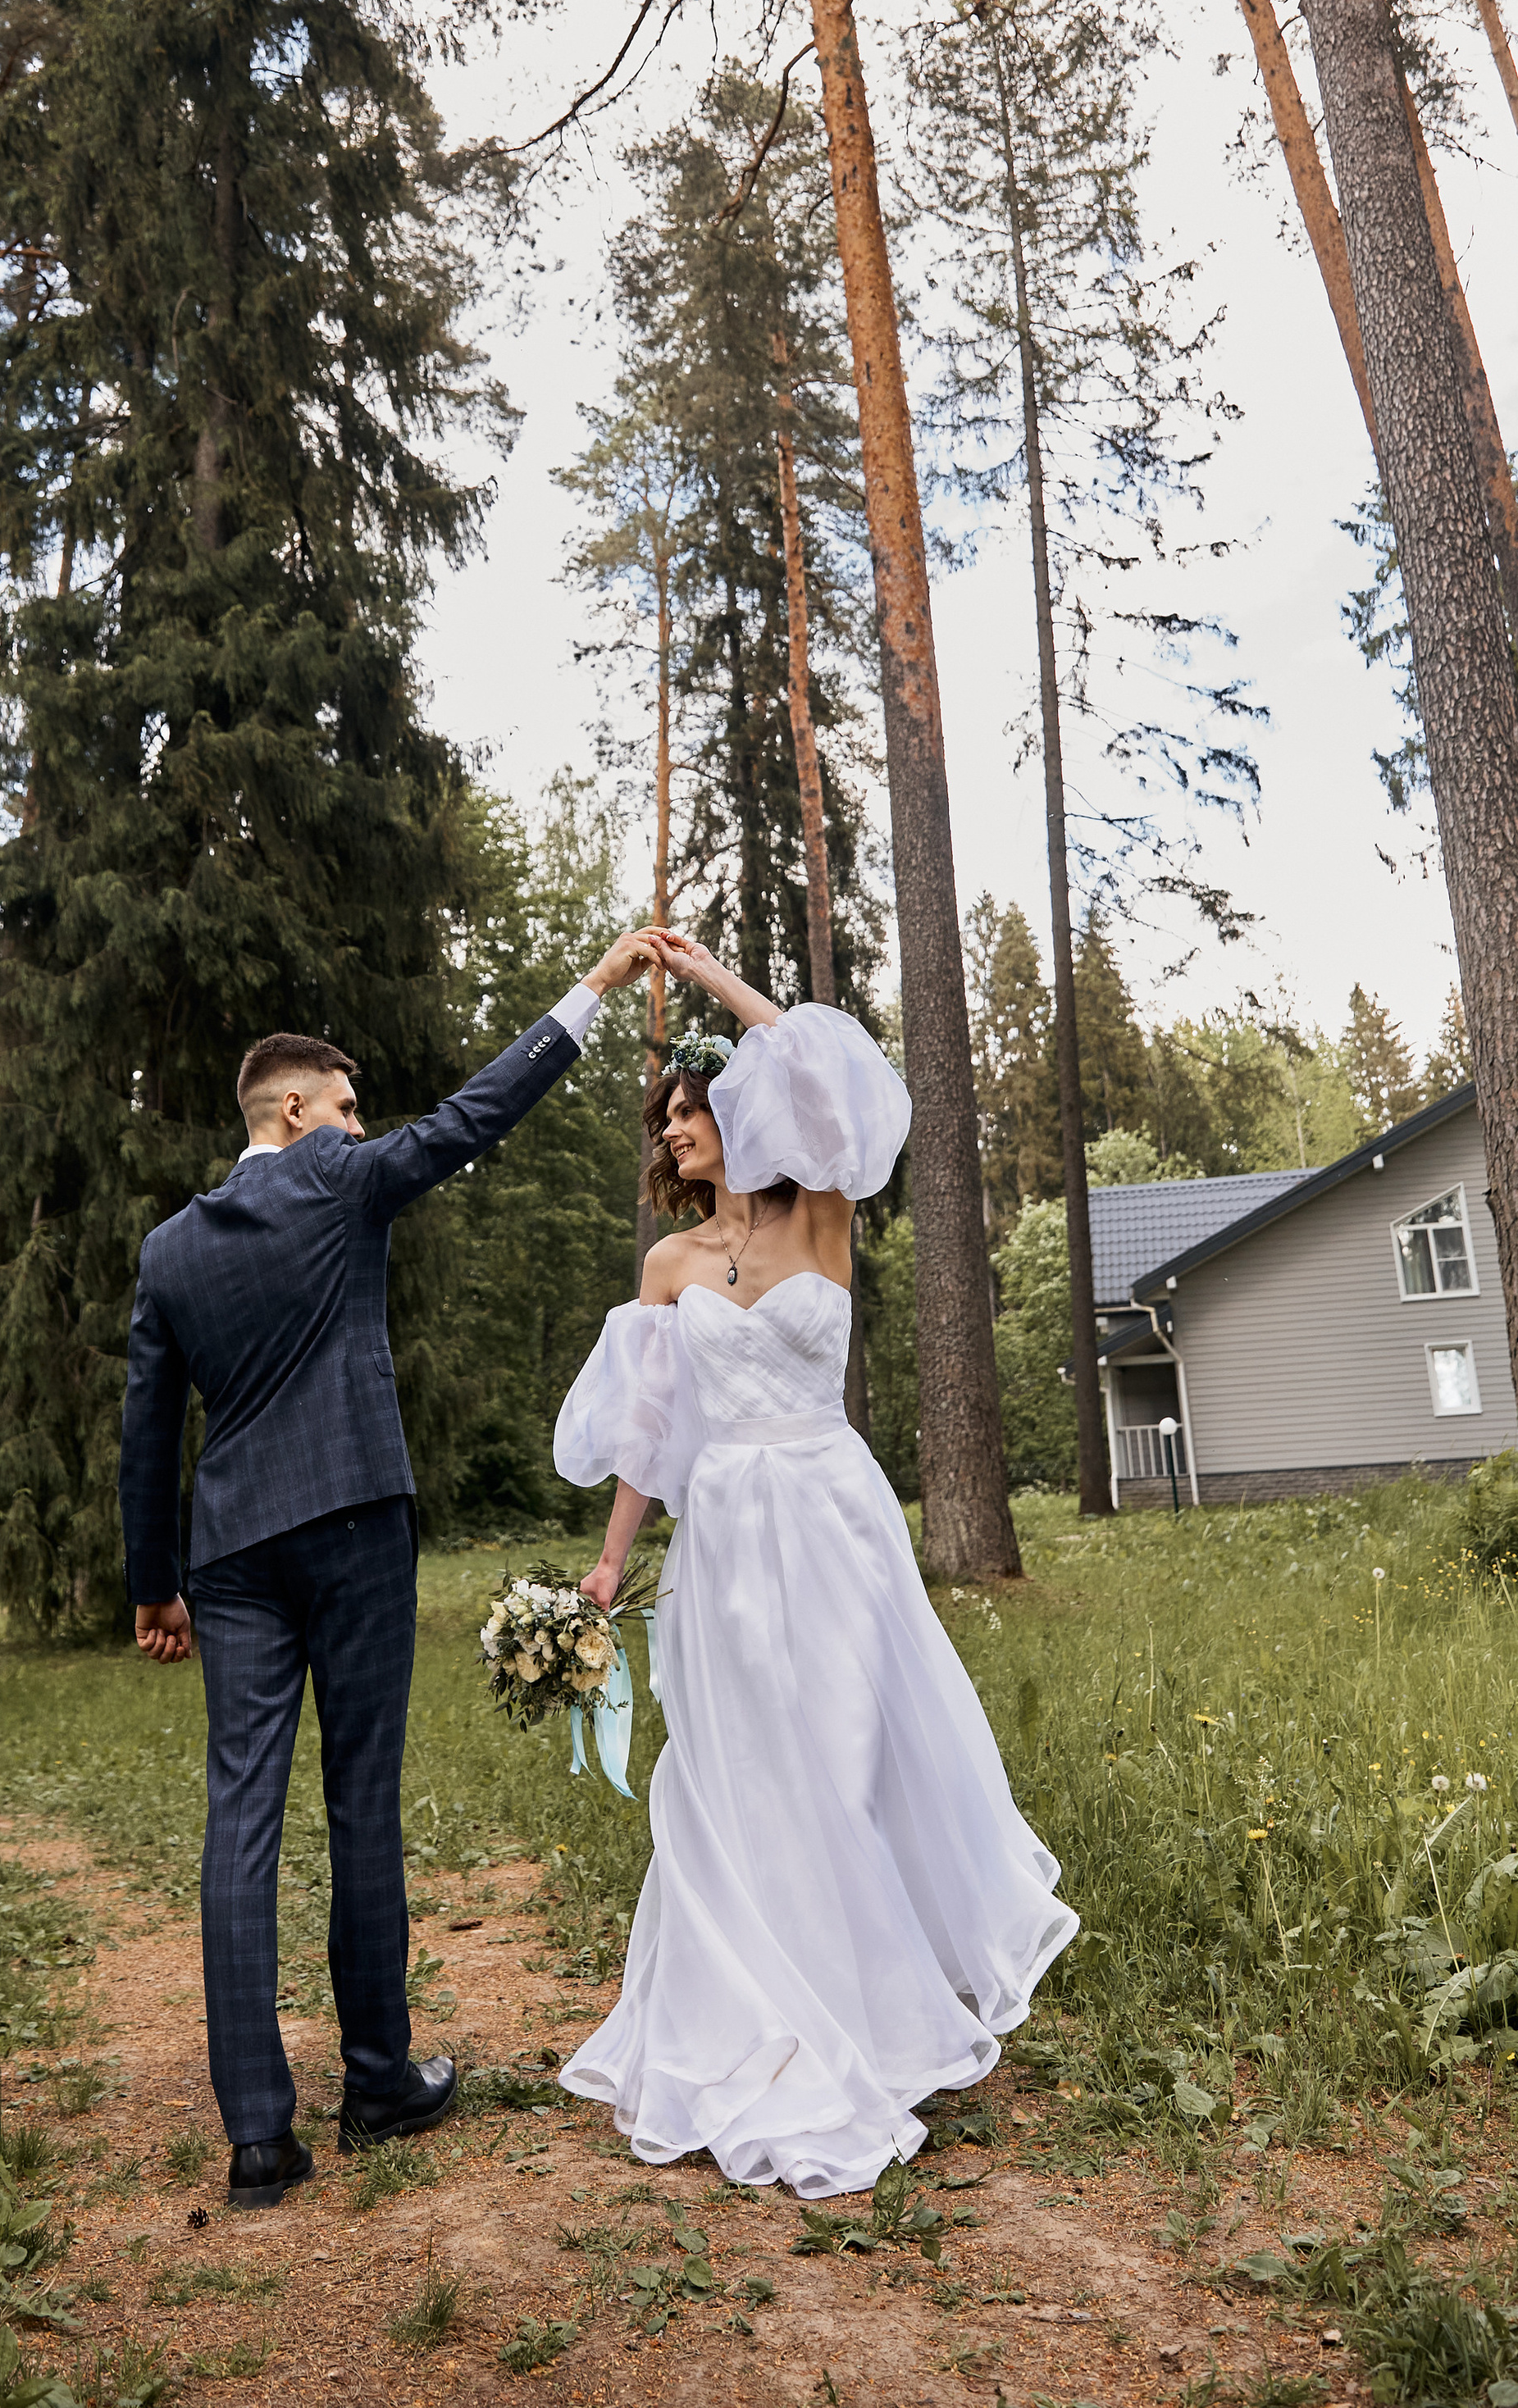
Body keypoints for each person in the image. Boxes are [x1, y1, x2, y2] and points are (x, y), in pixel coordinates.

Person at [121, 932, 659, 2208]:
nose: (363, 1126)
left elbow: (147, 1431)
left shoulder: (170, 1250)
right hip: (355, 1524)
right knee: (362, 1800)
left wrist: (154, 1583)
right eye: (348, 1107)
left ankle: (259, 2136)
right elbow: (475, 1118)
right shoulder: (339, 1181)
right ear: (294, 1112)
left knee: (239, 1817)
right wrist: (592, 990)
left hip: (232, 1554)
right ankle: (376, 2081)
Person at [554, 927, 1078, 2197]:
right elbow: (649, 1431)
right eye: (666, 1121)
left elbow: (822, 1066)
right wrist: (612, 1564)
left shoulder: (825, 1216)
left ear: (740, 1115)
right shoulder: (669, 1266)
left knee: (843, 1753)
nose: (675, 1131)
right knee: (740, 1766)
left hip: (833, 1518)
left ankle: (871, 2000)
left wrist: (710, 981)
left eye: (690, 1110)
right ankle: (753, 2005)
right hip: (725, 1533)